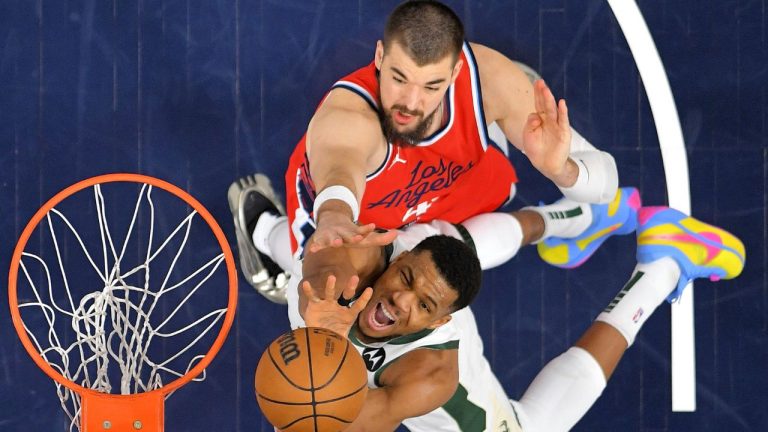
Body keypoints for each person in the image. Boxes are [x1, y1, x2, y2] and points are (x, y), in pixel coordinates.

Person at [228, 0, 621, 303]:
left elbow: (606, 185)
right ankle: (264, 229)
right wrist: (333, 217)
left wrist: (560, 170)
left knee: (484, 219)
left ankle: (508, 119)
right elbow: (339, 177)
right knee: (330, 285)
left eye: (431, 86)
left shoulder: (486, 77)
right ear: (380, 57)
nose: (410, 104)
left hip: (443, 183)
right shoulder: (348, 117)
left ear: (454, 75)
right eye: (399, 78)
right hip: (360, 220)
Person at [290, 206, 745, 431]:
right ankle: (596, 220)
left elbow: (346, 421)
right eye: (403, 278)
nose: (400, 301)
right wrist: (320, 307)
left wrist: (300, 399)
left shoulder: (433, 375)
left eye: (423, 306)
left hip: (421, 356)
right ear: (398, 258)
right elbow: (317, 263)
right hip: (431, 254)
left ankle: (655, 261)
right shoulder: (374, 256)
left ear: (437, 323)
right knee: (456, 243)